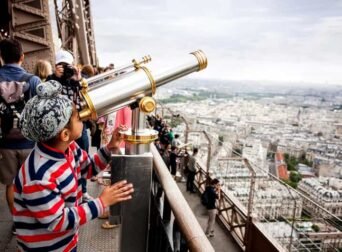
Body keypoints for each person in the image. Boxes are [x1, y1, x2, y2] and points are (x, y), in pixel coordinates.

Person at [14, 80, 134, 251]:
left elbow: (89, 168)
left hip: (66, 242)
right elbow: (57, 221)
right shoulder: (39, 177)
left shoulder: (70, 148)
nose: (83, 120)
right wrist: (101, 203)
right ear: (65, 134)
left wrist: (110, 147)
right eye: (78, 118)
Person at [0, 38, 41, 234]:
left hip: (4, 143)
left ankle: (16, 222)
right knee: (30, 182)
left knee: (11, 184)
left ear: (1, 58)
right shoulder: (33, 81)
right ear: (22, 57)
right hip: (29, 141)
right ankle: (31, 221)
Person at [47, 49, 92, 202]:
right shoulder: (51, 81)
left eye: (68, 66)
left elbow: (86, 102)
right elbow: (45, 99)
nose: (65, 69)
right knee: (59, 160)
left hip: (78, 126)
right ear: (56, 66)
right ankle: (63, 192)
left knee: (83, 157)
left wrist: (79, 80)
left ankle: (83, 191)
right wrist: (56, 78)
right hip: (59, 128)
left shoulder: (77, 82)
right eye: (62, 65)